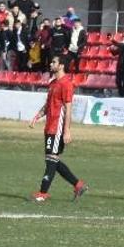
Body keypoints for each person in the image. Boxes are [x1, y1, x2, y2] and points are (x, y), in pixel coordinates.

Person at [28, 55, 87, 203]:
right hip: (49, 126)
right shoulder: (53, 83)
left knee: (51, 160)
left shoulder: (66, 84)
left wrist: (67, 130)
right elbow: (48, 105)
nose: (50, 64)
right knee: (53, 160)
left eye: (54, 62)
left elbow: (68, 108)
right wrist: (37, 116)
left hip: (57, 127)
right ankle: (78, 185)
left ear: (61, 65)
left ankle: (42, 193)